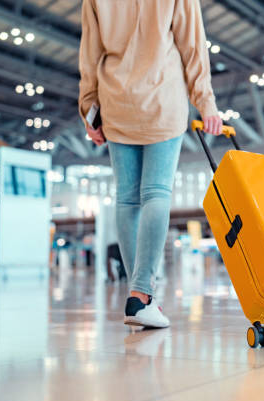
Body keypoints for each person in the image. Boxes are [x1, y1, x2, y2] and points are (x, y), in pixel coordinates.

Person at [78, 0, 222, 328]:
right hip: (162, 100)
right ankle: (142, 294)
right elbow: (192, 44)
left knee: (128, 198)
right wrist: (206, 102)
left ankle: (138, 297)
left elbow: (89, 52)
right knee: (156, 192)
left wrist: (88, 108)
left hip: (117, 103)